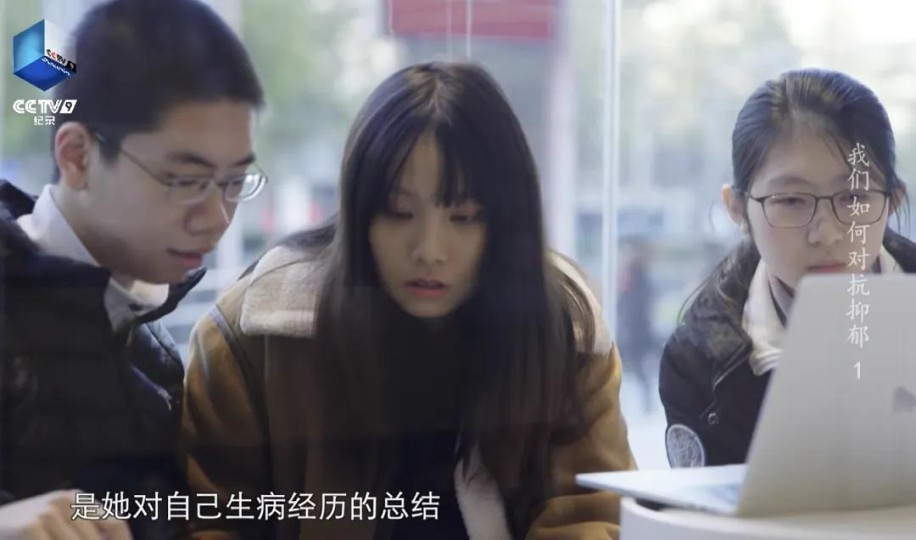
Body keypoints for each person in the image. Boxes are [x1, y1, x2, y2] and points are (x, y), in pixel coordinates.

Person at [182, 61, 635, 540]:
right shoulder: (256, 335)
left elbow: (593, 512)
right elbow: (210, 517)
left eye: (463, 217)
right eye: (398, 212)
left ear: (505, 223)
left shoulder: (564, 331)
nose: (428, 250)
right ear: (357, 213)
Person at [0, 0, 265, 538]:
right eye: (185, 181)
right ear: (78, 155)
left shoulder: (144, 334)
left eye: (234, 182)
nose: (217, 217)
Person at [659, 68, 916, 468]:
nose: (825, 233)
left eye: (853, 198)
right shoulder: (699, 361)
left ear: (893, 200)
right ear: (737, 209)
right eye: (792, 200)